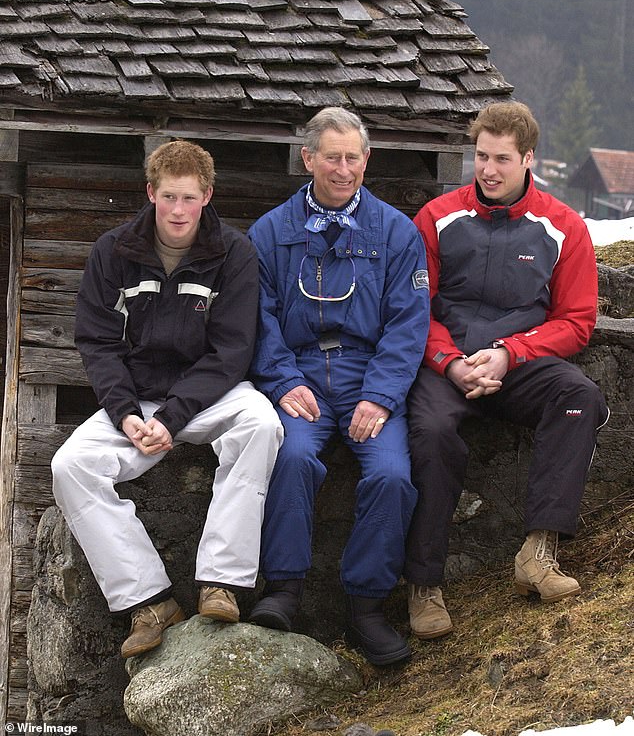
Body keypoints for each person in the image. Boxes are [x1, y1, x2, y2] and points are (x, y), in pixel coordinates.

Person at [51, 140, 283, 659]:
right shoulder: (112, 251)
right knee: (69, 465)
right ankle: (148, 601)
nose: (178, 211)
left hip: (208, 397)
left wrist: (175, 417)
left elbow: (232, 352)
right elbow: (98, 343)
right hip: (136, 402)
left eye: (190, 198)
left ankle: (222, 583)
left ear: (208, 196)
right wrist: (126, 414)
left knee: (261, 424)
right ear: (151, 192)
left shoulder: (234, 253)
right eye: (169, 197)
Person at [404, 101, 609, 640]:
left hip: (517, 362)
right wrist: (449, 363)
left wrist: (510, 352)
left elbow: (576, 321)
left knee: (579, 397)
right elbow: (412, 310)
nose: (488, 170)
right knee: (430, 430)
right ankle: (424, 586)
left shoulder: (563, 226)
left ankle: (539, 553)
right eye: (480, 157)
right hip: (444, 363)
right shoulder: (436, 217)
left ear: (528, 159)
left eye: (501, 159)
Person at [246, 107, 430, 666]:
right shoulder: (271, 232)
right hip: (299, 376)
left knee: (394, 474)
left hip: (368, 376)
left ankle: (367, 605)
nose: (343, 169)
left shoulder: (397, 233)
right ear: (309, 159)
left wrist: (380, 395)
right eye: (332, 157)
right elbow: (257, 318)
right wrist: (280, 381)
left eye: (353, 157)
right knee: (294, 457)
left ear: (366, 160)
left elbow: (408, 324)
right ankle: (284, 590)